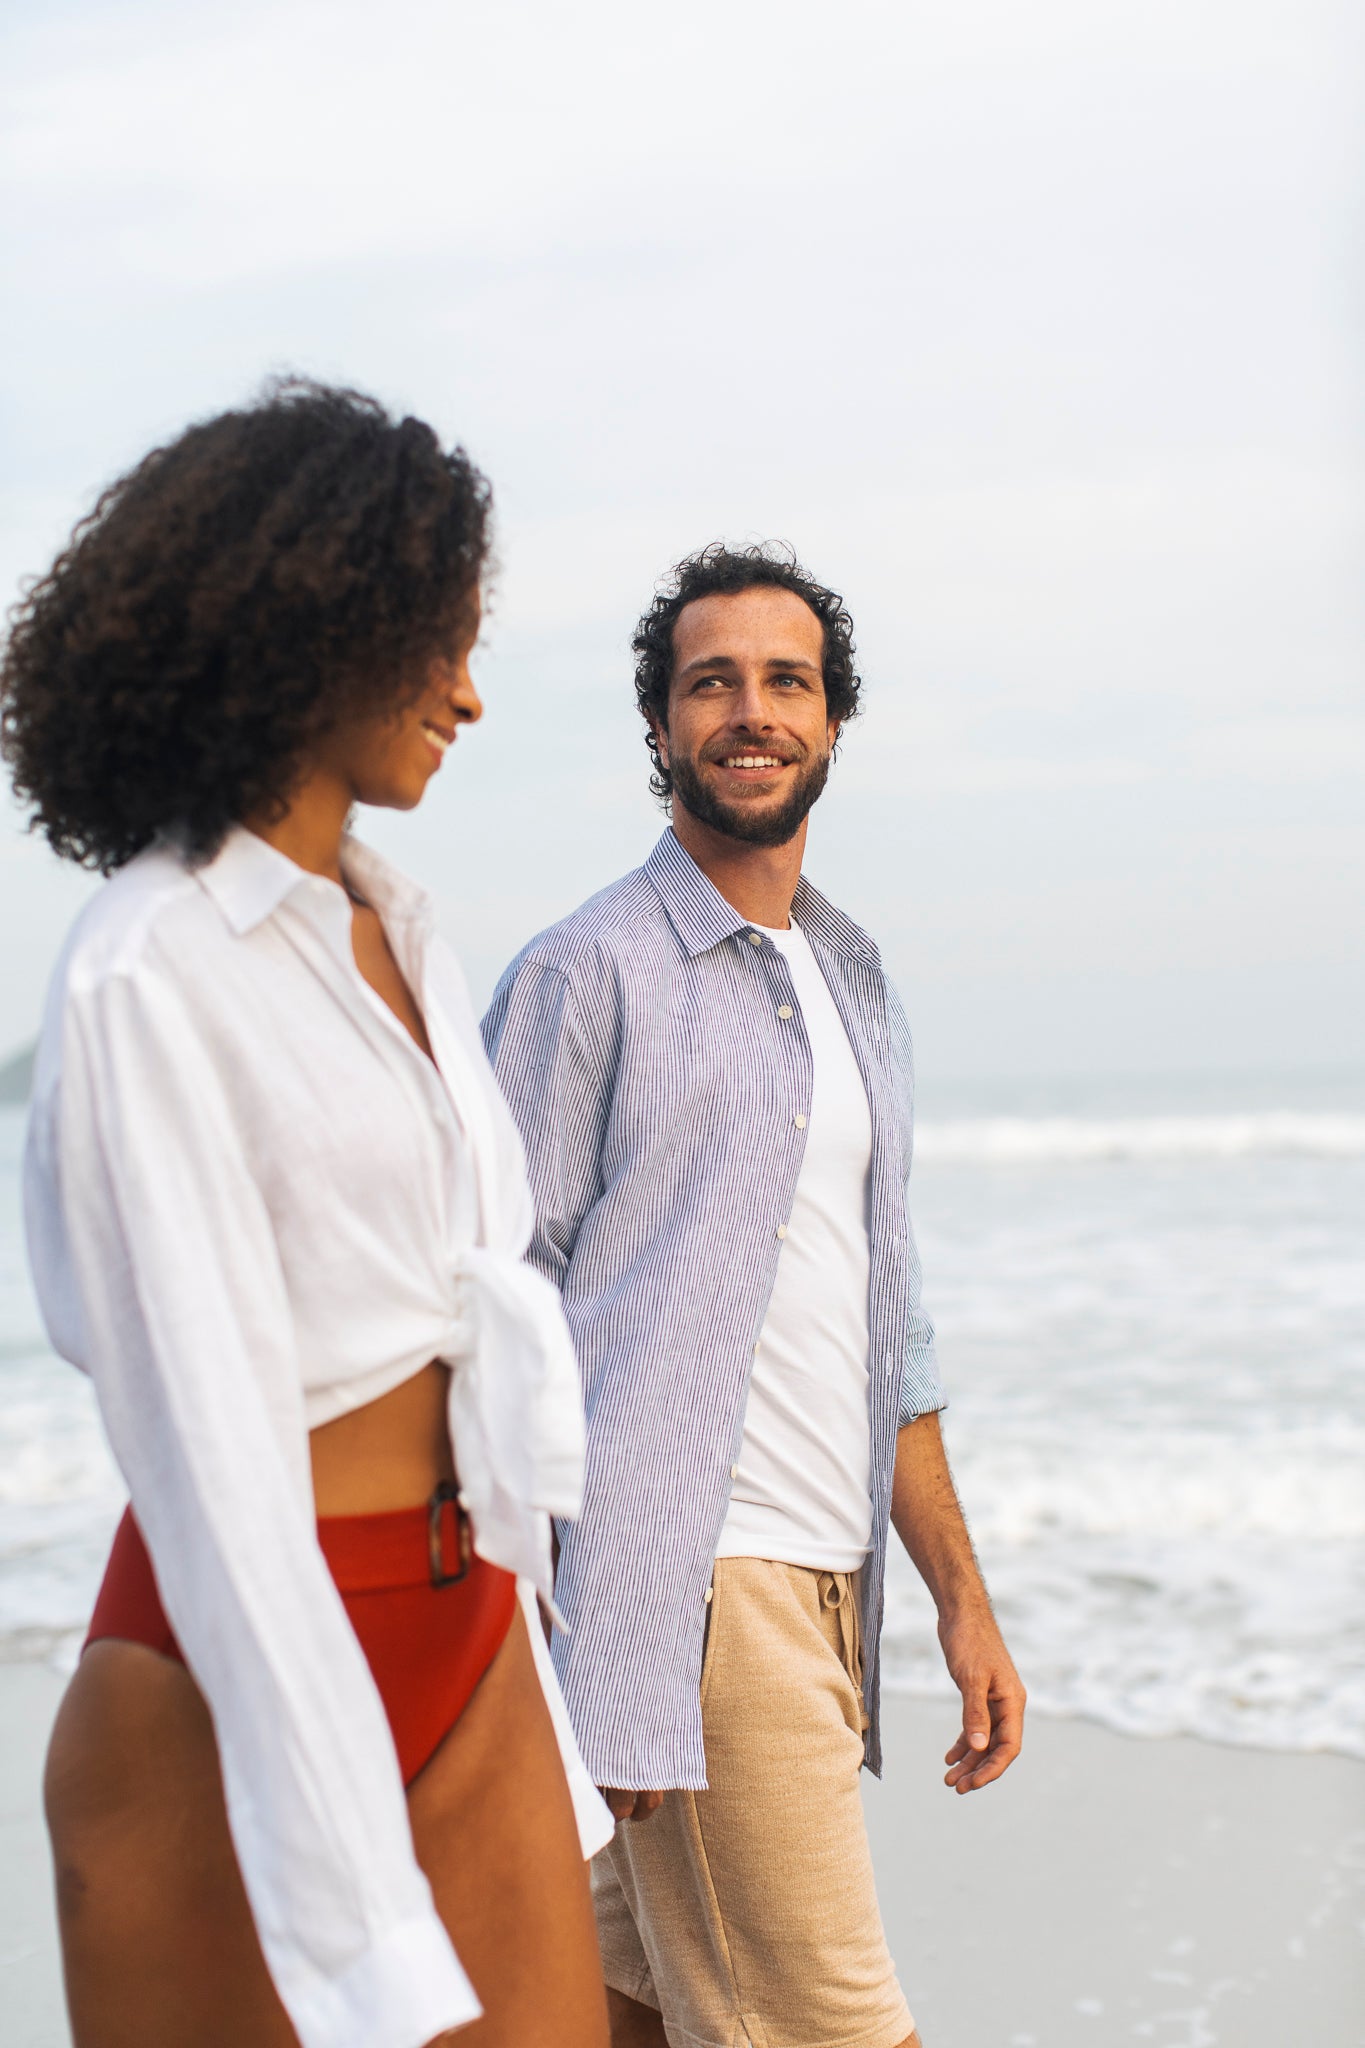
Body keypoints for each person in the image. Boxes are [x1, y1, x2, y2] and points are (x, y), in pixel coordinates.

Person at [2, 380, 613, 2048]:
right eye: (437, 644)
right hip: (229, 1668)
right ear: (305, 620)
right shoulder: (150, 969)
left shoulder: (408, 938)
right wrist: (346, 1878)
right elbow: (204, 1456)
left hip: (464, 1623)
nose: (471, 697)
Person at [482, 543, 1027, 2048]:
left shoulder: (852, 981)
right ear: (660, 728)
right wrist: (583, 1637)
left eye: (785, 680)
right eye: (709, 681)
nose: (749, 710)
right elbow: (486, 1311)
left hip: (818, 1582)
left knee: (628, 2019)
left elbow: (884, 1321)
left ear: (831, 723)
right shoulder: (579, 975)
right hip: (691, 1602)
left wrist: (958, 1604)